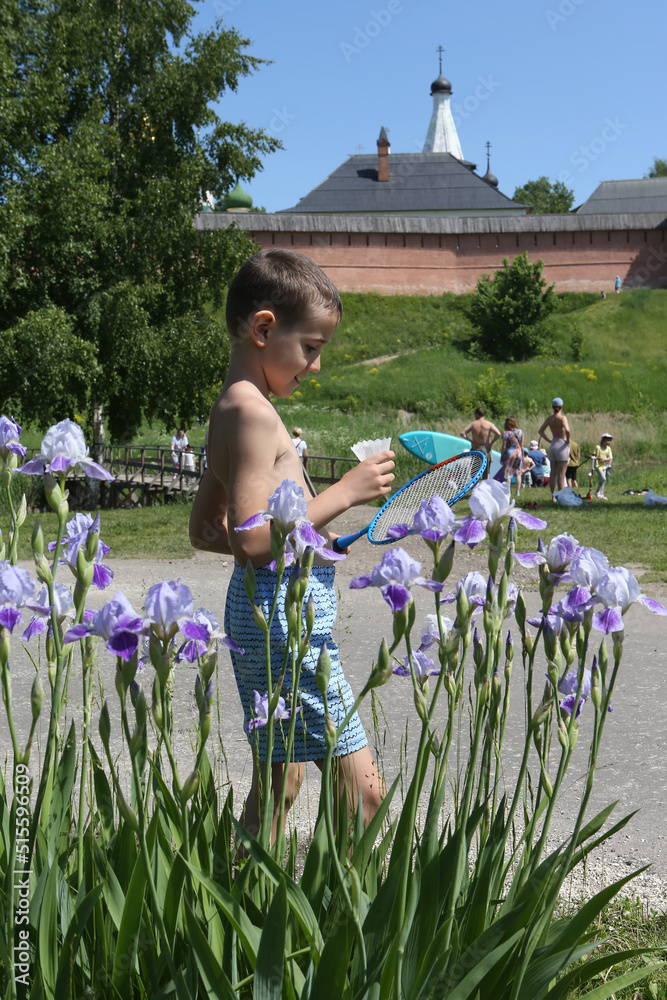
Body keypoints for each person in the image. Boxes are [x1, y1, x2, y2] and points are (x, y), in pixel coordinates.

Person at [188, 249, 395, 843]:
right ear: (263, 328)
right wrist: (344, 493)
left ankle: (242, 900)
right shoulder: (253, 414)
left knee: (282, 783)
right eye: (310, 347)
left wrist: (306, 543)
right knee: (363, 794)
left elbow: (207, 530)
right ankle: (332, 921)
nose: (317, 366)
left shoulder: (234, 406)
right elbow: (254, 537)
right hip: (281, 622)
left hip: (267, 613)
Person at [538, 397, 571, 499]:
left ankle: (553, 496)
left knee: (553, 473)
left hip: (553, 444)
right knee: (561, 474)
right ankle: (561, 497)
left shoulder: (549, 419)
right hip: (562, 444)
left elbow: (540, 431)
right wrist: (568, 440)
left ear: (553, 407)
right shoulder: (562, 418)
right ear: (561, 407)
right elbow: (568, 430)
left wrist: (549, 440)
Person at [461, 407, 501, 479]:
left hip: (476, 448)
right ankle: (485, 488)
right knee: (486, 471)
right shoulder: (489, 424)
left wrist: (471, 441)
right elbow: (498, 434)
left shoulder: (473, 424)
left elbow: (462, 433)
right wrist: (491, 442)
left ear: (477, 414)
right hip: (486, 449)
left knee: (475, 472)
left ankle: (475, 488)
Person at [500, 416, 524, 497]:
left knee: (507, 473)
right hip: (518, 453)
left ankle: (508, 491)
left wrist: (502, 456)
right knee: (518, 473)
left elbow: (503, 446)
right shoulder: (520, 432)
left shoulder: (505, 433)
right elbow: (521, 445)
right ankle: (517, 492)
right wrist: (523, 455)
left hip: (509, 454)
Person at [591, 433, 613, 500]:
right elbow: (594, 455)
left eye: (610, 440)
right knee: (603, 478)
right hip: (598, 466)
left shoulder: (608, 448)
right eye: (608, 440)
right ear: (603, 440)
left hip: (604, 466)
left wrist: (604, 460)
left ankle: (601, 494)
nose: (609, 442)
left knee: (602, 480)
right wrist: (593, 457)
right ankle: (597, 492)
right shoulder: (598, 447)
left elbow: (609, 458)